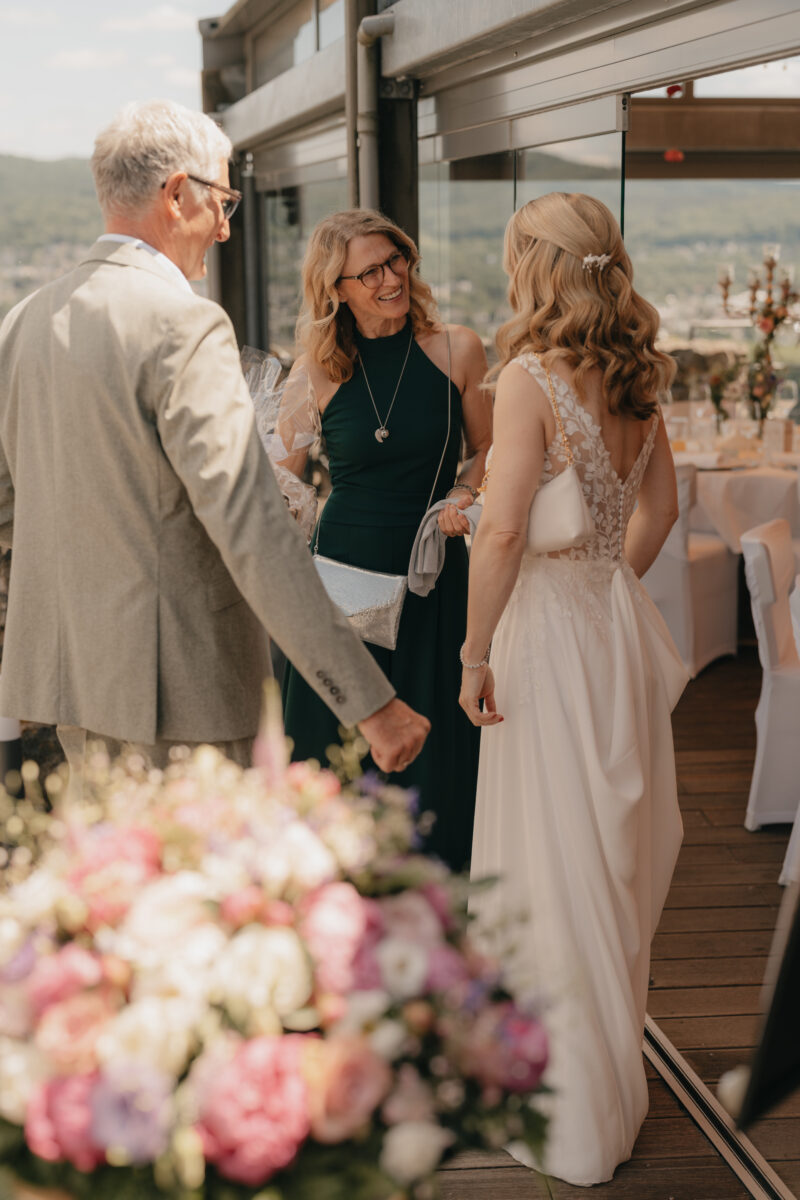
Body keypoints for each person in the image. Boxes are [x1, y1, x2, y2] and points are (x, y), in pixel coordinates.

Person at [0, 100, 429, 779]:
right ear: (177, 195)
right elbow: (252, 527)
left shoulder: (23, 320)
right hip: (183, 694)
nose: (228, 228)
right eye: (224, 200)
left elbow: (12, 510)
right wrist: (370, 704)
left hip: (68, 687)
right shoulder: (184, 325)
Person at [460, 193, 689, 1185]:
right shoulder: (637, 372)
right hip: (609, 631)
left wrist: (472, 653)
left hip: (547, 642)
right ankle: (607, 1097)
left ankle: (562, 1113)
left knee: (547, 863)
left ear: (532, 265)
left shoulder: (527, 379)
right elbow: (663, 504)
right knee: (606, 861)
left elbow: (503, 529)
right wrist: (609, 578)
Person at [276, 209, 491, 871]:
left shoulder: (458, 349)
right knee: (334, 748)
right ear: (335, 287)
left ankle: (437, 899)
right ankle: (337, 893)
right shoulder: (313, 371)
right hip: (340, 583)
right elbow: (281, 485)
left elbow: (490, 450)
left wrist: (463, 494)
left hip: (431, 575)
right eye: (369, 272)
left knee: (439, 753)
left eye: (395, 260)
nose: (391, 278)